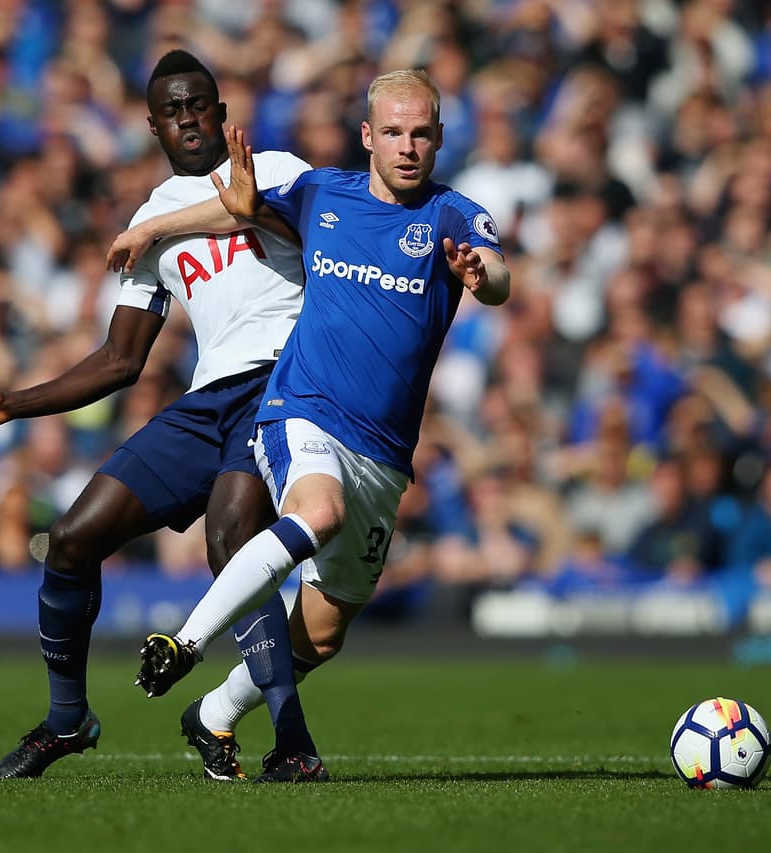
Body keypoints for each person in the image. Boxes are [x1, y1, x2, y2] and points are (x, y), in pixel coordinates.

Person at [0, 50, 321, 783]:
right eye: (172, 110)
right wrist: (12, 402)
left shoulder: (281, 170)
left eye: (199, 104)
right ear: (153, 126)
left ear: (222, 111)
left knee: (233, 534)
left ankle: (292, 742)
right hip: (208, 401)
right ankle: (68, 719)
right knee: (71, 538)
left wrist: (224, 209)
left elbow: (324, 238)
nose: (189, 118)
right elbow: (119, 360)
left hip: (284, 385)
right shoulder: (151, 220)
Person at [114, 69, 510, 779]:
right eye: (393, 132)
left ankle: (213, 713)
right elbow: (234, 209)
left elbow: (501, 275)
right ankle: (187, 641)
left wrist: (483, 273)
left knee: (323, 632)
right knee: (316, 510)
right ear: (368, 136)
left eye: (421, 132)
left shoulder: (455, 216)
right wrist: (151, 228)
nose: (408, 146)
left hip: (384, 453)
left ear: (441, 137)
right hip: (302, 409)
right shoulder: (323, 193)